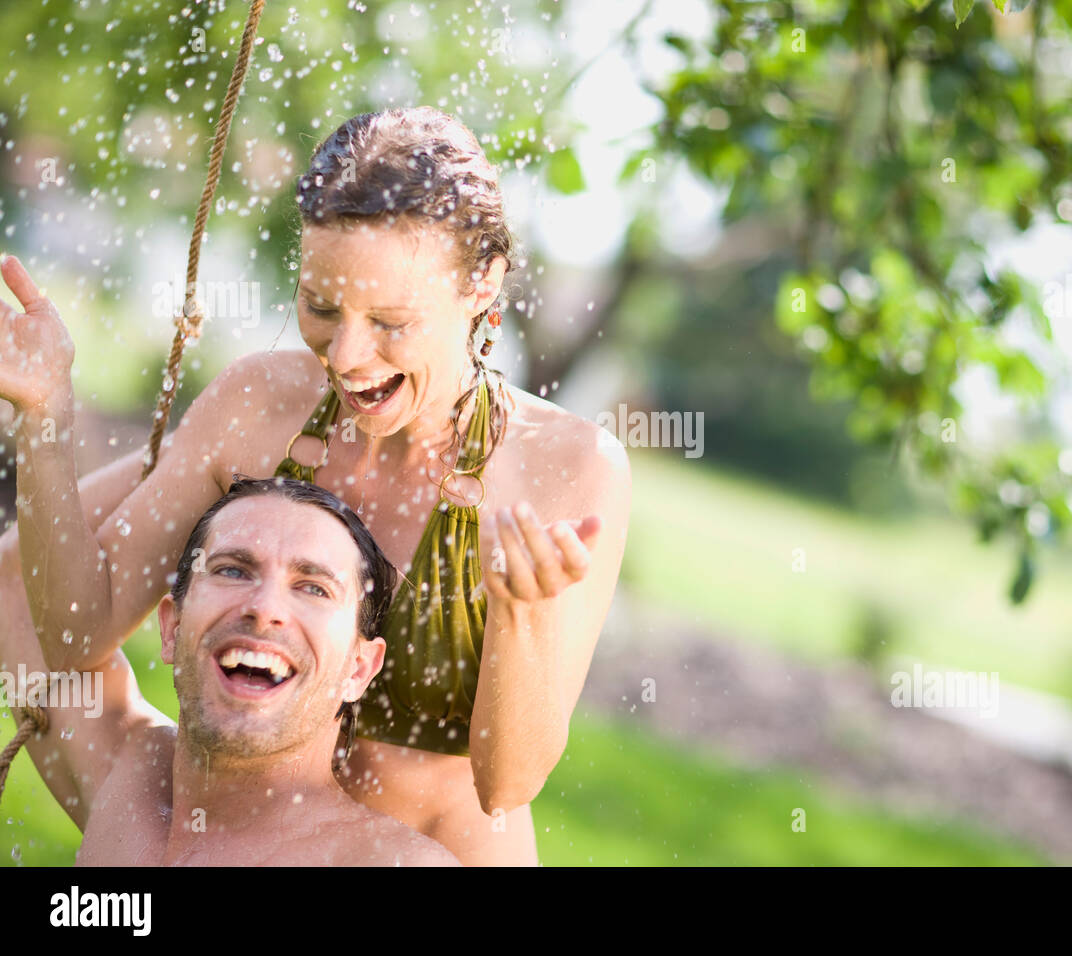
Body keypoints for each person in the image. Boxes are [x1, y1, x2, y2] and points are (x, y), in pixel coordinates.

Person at [0, 106, 631, 865]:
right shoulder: (260, 403)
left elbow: (509, 783)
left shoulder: (567, 466)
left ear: (483, 283)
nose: (350, 355)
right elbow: (71, 633)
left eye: (392, 322)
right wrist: (43, 418)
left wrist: (524, 617)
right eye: (321, 308)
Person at [0, 474, 460, 866]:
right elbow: (15, 582)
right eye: (233, 571)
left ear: (359, 668)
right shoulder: (129, 773)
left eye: (314, 588)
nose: (263, 609)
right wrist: (50, 410)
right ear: (172, 627)